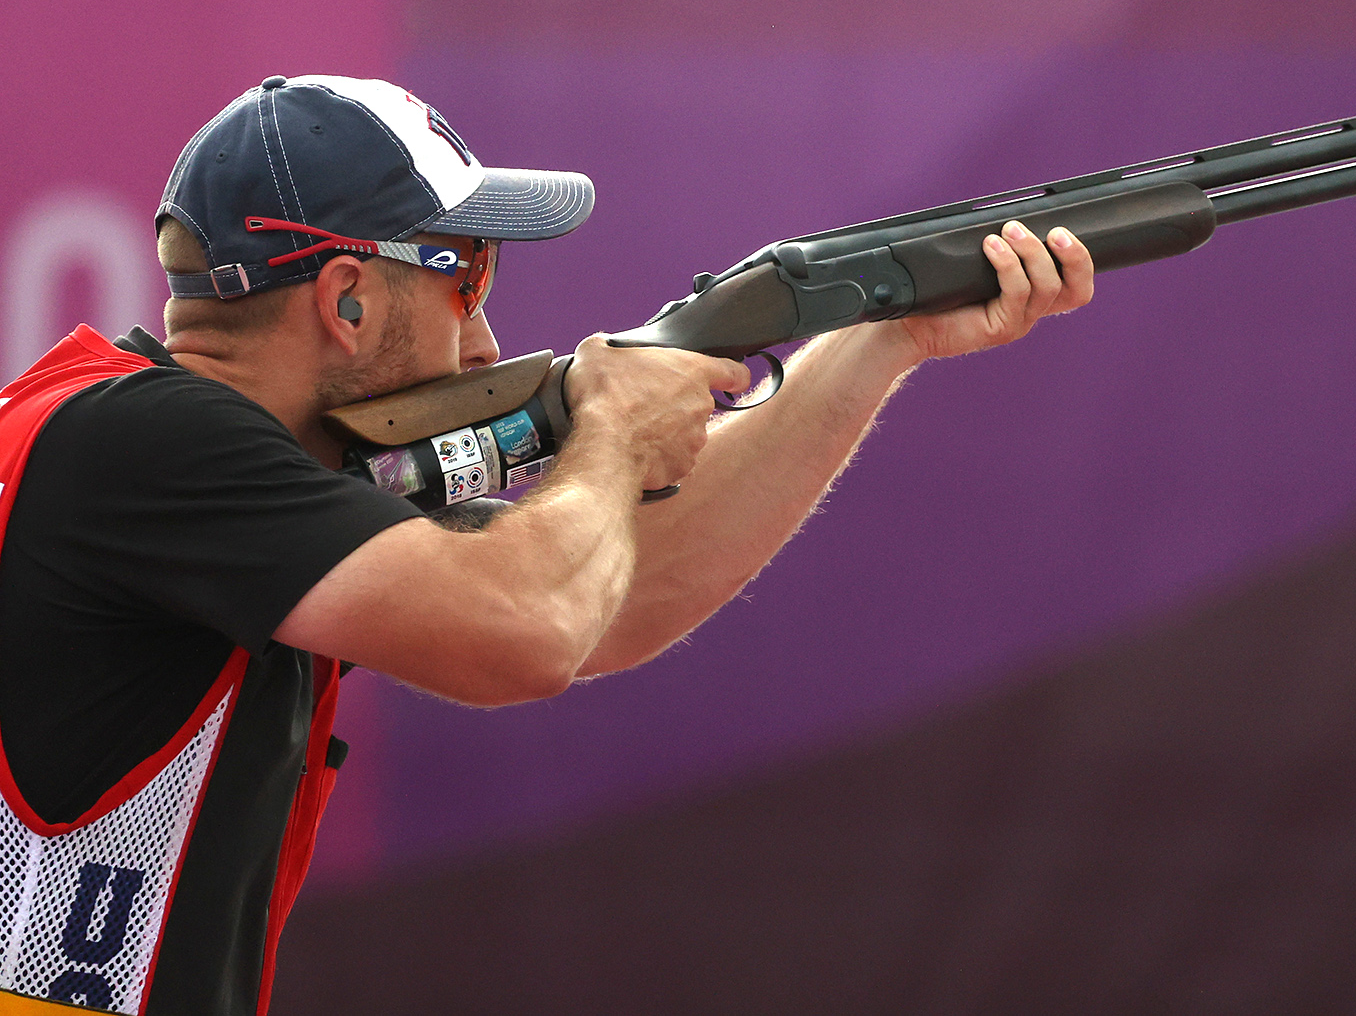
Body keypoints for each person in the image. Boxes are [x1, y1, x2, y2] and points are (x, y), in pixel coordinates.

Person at [0, 75, 1093, 1015]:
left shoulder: (191, 463)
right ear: (346, 298)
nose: (482, 338)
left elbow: (610, 602)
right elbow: (523, 627)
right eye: (463, 277)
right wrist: (610, 432)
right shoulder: (145, 443)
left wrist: (875, 341)